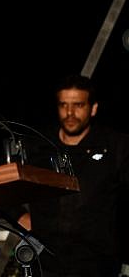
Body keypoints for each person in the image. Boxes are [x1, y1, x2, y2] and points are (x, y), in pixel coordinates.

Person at [16, 74, 129, 277]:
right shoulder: (37, 146)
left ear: (93, 108)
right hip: (45, 263)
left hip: (96, 263)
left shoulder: (116, 146)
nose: (70, 113)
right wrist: (18, 215)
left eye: (78, 105)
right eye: (63, 105)